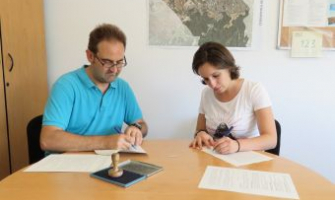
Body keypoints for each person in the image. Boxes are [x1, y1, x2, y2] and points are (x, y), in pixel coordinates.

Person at [40, 24, 148, 153]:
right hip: (67, 166)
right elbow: (48, 139)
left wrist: (136, 128)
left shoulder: (122, 87)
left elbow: (142, 124)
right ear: (90, 56)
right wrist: (105, 142)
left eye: (119, 62)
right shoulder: (66, 86)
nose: (114, 69)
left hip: (108, 163)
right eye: (107, 62)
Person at [189, 42, 276, 154]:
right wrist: (200, 134)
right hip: (215, 159)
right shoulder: (206, 93)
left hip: (248, 160)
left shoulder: (253, 90)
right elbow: (200, 130)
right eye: (205, 79)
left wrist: (237, 145)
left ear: (229, 68)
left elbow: (271, 139)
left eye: (216, 76)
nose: (212, 84)